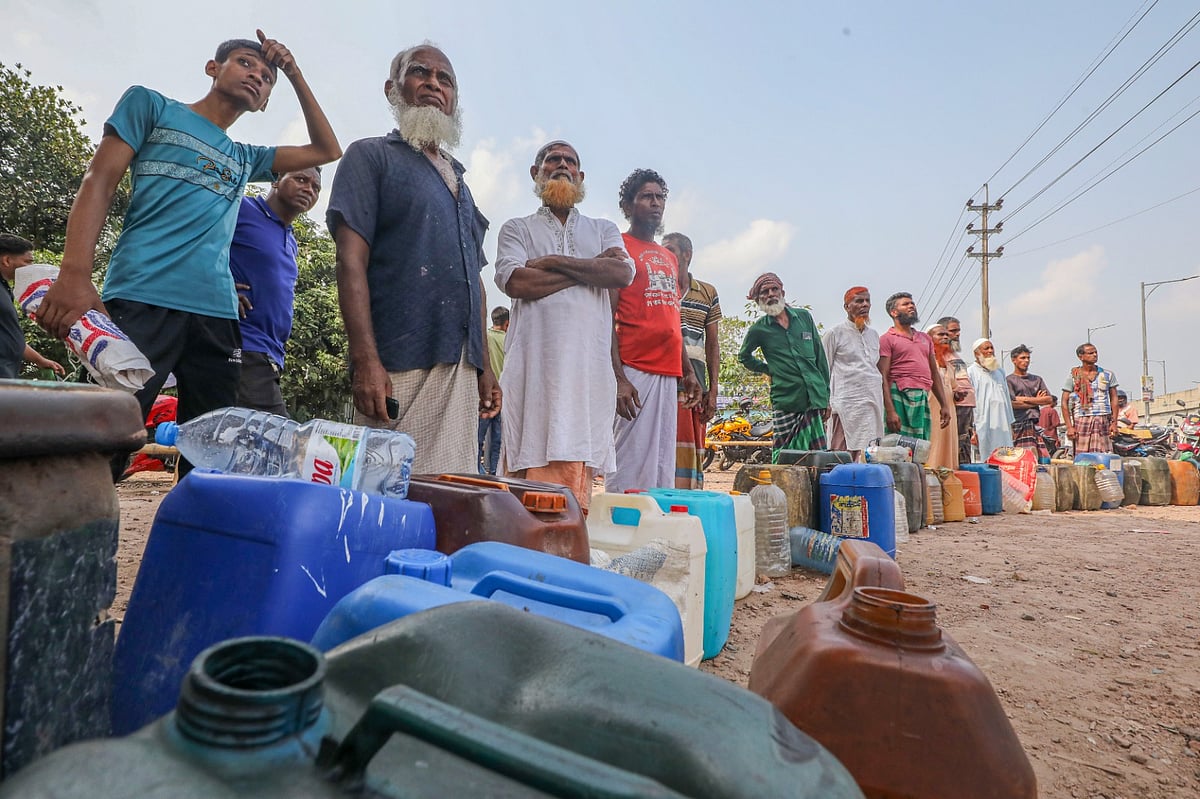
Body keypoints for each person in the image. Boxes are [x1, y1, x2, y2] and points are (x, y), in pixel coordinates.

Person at [34, 32, 341, 480]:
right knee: (102, 439)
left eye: (267, 77)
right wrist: (75, 274)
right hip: (142, 299)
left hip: (216, 320)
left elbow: (327, 150)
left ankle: (189, 545)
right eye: (244, 63)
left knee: (211, 456)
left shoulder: (243, 157)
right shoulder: (151, 107)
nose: (257, 75)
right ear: (213, 68)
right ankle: (77, 542)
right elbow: (99, 180)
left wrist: (293, 72)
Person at [328, 44, 499, 474]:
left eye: (446, 80)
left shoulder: (460, 179)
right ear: (392, 89)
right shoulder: (370, 156)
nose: (434, 84)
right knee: (388, 493)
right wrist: (365, 359)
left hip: (459, 368)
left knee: (450, 495)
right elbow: (350, 262)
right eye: (420, 73)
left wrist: (485, 367)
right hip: (398, 361)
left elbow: (474, 280)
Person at [494, 141, 634, 510]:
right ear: (535, 173)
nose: (561, 165)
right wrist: (590, 270)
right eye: (552, 159)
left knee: (572, 491)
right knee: (522, 484)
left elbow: (621, 272)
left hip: (585, 379)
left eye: (570, 161)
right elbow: (517, 282)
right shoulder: (516, 229)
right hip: (533, 376)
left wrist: (552, 261)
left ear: (581, 176)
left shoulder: (602, 228)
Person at [607, 169, 701, 493]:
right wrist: (618, 378)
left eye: (660, 197)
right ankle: (622, 528)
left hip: (668, 372)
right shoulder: (618, 246)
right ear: (628, 204)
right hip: (635, 369)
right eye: (647, 197)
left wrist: (688, 371)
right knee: (629, 461)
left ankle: (654, 532)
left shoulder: (668, 258)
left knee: (662, 464)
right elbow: (607, 316)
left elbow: (671, 319)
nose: (656, 203)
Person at [230, 167, 322, 417]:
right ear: (275, 181)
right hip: (240, 343)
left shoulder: (291, 239)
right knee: (278, 442)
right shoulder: (241, 209)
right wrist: (221, 284)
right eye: (300, 179)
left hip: (269, 354)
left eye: (316, 187)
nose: (308, 190)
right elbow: (196, 241)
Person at [739, 272, 830, 459]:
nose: (771, 294)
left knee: (817, 456)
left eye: (775, 289)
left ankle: (813, 488)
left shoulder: (804, 318)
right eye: (765, 291)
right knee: (783, 455)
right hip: (786, 399)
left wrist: (826, 397)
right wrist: (768, 369)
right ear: (758, 300)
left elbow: (820, 358)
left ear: (783, 292)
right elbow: (744, 356)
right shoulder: (759, 329)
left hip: (814, 398)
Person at [663, 232, 720, 488]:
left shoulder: (707, 293)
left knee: (690, 451)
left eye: (671, 249)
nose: (666, 255)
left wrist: (714, 390)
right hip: (662, 378)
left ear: (687, 254)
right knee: (662, 448)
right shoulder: (659, 288)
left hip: (695, 385)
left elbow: (712, 344)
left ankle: (687, 502)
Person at [878, 293, 950, 442]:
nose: (911, 306)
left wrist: (944, 405)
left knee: (921, 446)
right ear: (894, 312)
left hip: (922, 395)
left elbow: (934, 373)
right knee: (897, 447)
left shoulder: (925, 339)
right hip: (898, 394)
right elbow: (882, 376)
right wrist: (890, 410)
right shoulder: (887, 339)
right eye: (905, 304)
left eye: (912, 303)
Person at [821, 286, 883, 460]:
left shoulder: (874, 335)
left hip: (872, 404)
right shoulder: (834, 334)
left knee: (869, 453)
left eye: (867, 300)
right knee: (841, 455)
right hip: (845, 405)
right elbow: (824, 369)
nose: (865, 304)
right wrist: (824, 401)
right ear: (847, 307)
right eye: (859, 301)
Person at [0, 234, 65, 379]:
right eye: (27, 262)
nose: (31, 268)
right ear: (7, 260)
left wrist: (39, 360)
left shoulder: (5, 290)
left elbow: (10, 336)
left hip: (8, 374)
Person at [1062, 343, 1118, 454]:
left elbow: (1114, 399)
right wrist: (1069, 427)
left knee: (1105, 454)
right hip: (1082, 419)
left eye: (1096, 352)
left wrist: (1114, 423)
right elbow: (1064, 402)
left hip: (1103, 419)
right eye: (1091, 353)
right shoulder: (1074, 376)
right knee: (1082, 457)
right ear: (1080, 356)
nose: (1095, 355)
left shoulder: (1107, 375)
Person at [966, 338, 1014, 460]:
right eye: (986, 348)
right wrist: (972, 429)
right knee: (984, 458)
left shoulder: (1000, 372)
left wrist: (1010, 425)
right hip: (982, 424)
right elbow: (969, 402)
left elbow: (1007, 400)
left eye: (992, 348)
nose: (990, 351)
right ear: (977, 353)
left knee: (1005, 457)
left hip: (1002, 425)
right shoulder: (970, 372)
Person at [938, 315, 977, 462]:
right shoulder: (940, 355)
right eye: (953, 330)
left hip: (967, 406)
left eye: (958, 330)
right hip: (955, 406)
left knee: (965, 445)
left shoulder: (954, 355)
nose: (958, 334)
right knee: (957, 445)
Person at [1006, 344, 1053, 460]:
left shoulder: (1037, 379)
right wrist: (1037, 400)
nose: (1026, 361)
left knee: (1039, 459)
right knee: (1019, 458)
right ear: (1014, 360)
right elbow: (1011, 403)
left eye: (1028, 358)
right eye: (1022, 358)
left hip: (1034, 425)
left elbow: (1049, 399)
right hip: (1017, 424)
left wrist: (1023, 399)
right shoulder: (1009, 380)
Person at [477, 306, 508, 475]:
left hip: (483, 392)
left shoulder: (484, 338)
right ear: (507, 324)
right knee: (497, 440)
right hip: (502, 396)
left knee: (478, 438)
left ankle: (478, 470)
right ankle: (494, 472)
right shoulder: (508, 340)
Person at [924, 323, 960, 469]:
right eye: (940, 334)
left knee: (948, 447)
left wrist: (958, 394)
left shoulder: (949, 365)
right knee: (932, 446)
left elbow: (952, 388)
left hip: (948, 412)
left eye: (946, 335)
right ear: (929, 338)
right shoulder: (924, 361)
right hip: (931, 410)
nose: (945, 337)